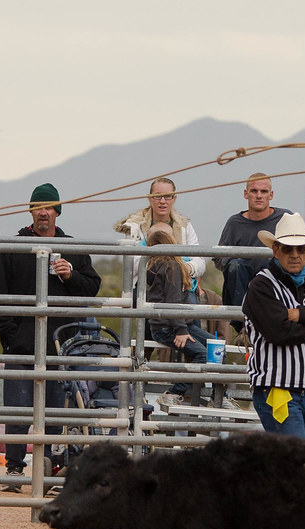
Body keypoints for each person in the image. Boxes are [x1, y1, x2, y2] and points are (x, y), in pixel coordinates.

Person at [0, 183, 102, 493]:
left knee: (54, 411)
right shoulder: (14, 247)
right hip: (21, 346)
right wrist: (11, 336)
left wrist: (70, 275)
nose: (43, 212)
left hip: (59, 344)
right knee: (17, 408)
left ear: (57, 212)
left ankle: (50, 471)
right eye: (38, 207)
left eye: (49, 207)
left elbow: (92, 288)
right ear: (30, 211)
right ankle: (14, 469)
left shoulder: (73, 247)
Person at [242, 212, 305, 438]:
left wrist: (302, 315)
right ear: (276, 250)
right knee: (296, 464)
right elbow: (279, 333)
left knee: (295, 465)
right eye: (288, 248)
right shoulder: (261, 286)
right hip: (278, 390)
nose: (295, 255)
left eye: (301, 249)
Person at [144, 223, 214, 406]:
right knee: (204, 354)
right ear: (172, 241)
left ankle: (218, 395)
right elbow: (173, 300)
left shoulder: (152, 265)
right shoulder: (172, 266)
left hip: (174, 324)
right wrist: (181, 330)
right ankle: (174, 392)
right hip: (171, 326)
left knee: (216, 349)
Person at [214, 173, 292, 321]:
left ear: (271, 195)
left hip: (276, 285)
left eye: (264, 192)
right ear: (246, 194)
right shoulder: (234, 223)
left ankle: (272, 319)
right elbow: (218, 257)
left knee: (268, 262)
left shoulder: (286, 218)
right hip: (242, 287)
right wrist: (235, 262)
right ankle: (244, 325)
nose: (259, 196)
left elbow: (299, 249)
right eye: (254, 191)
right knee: (236, 265)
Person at [113, 177, 205, 298]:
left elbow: (199, 260)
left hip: (181, 285)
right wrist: (164, 268)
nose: (162, 201)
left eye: (167, 196)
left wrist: (185, 268)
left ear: (174, 199)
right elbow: (132, 263)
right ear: (150, 198)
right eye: (158, 196)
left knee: (191, 307)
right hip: (145, 286)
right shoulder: (134, 227)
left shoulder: (185, 226)